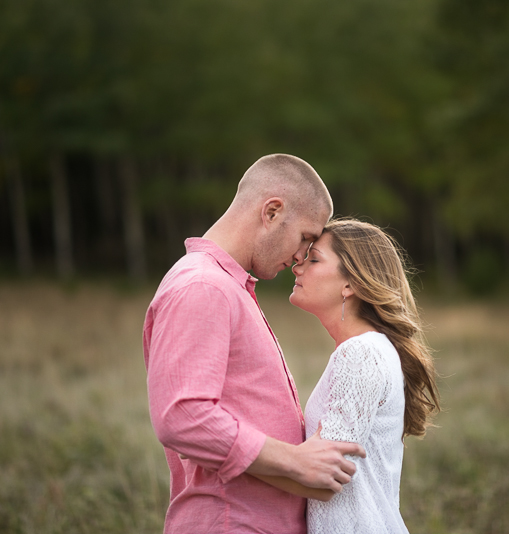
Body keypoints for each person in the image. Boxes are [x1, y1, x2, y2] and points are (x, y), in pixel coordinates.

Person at [142, 154, 365, 534]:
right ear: (272, 212)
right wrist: (295, 461)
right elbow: (182, 416)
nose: (301, 256)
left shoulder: (226, 287)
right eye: (306, 237)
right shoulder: (203, 286)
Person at [289, 218, 441, 534]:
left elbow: (324, 479)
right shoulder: (366, 349)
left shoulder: (361, 354)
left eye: (314, 259)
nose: (297, 267)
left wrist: (229, 458)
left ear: (350, 285)